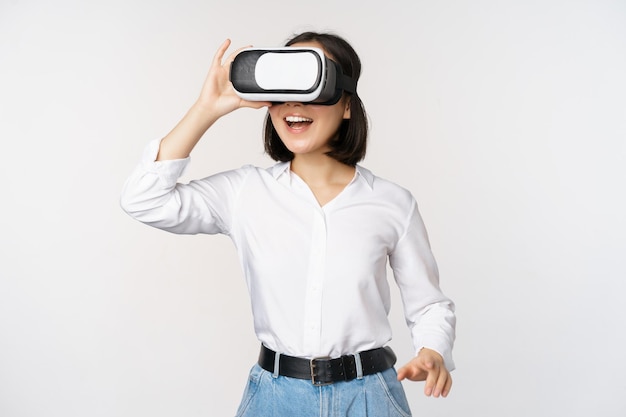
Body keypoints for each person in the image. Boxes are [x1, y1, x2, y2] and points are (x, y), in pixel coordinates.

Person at [121, 31, 456, 417]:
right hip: (274, 399)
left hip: (369, 397)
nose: (293, 104)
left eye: (311, 86)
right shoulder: (245, 192)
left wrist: (432, 350)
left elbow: (429, 304)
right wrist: (207, 108)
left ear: (346, 105)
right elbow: (143, 199)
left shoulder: (393, 203)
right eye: (282, 89)